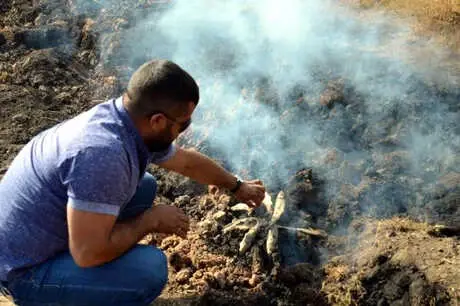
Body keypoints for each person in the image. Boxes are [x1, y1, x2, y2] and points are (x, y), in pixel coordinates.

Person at [0, 59, 266, 305]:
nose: (187, 130)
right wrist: (150, 220)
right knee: (148, 270)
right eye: (183, 124)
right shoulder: (103, 155)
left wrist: (236, 186)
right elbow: (87, 254)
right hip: (22, 270)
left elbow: (186, 162)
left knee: (144, 185)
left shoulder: (125, 121)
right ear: (158, 120)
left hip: (36, 236)